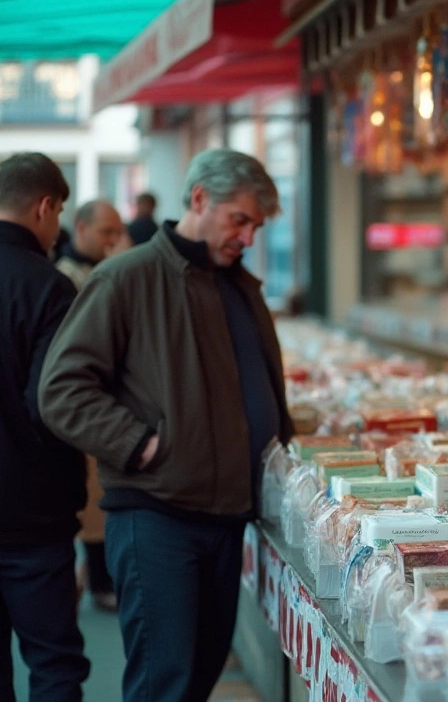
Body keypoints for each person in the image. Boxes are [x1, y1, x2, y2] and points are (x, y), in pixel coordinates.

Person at [40, 149, 295, 702]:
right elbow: (62, 390)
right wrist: (137, 444)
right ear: (199, 199)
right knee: (165, 685)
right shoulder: (125, 278)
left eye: (257, 226)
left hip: (227, 519)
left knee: (198, 677)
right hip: (157, 517)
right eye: (241, 220)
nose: (249, 237)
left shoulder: (239, 288)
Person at [0, 153, 91, 702]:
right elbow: (52, 405)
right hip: (33, 515)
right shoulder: (50, 288)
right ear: (45, 207)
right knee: (54, 663)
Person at [54, 199, 128, 612]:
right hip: (85, 410)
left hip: (105, 406)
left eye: (117, 233)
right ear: (80, 229)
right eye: (106, 232)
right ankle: (96, 580)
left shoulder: (98, 271)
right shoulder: (66, 278)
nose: (113, 241)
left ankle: (95, 577)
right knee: (90, 501)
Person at [56, 199, 127, 288]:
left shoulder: (101, 262)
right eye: (107, 232)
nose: (115, 240)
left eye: (119, 233)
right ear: (81, 229)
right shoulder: (64, 274)